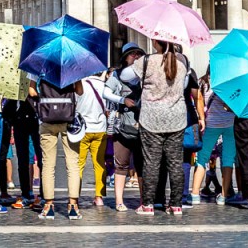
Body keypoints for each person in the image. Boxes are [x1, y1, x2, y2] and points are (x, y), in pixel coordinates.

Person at [122, 40, 202, 216]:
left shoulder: (147, 61)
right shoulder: (182, 61)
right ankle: (176, 205)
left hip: (152, 118)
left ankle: (148, 204)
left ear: (155, 43)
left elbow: (125, 76)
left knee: (151, 163)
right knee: (175, 163)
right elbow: (184, 83)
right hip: (176, 117)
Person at [30, 76, 84, 220]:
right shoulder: (73, 66)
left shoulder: (39, 66)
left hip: (47, 118)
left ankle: (48, 206)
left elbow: (31, 92)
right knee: (73, 164)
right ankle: (73, 206)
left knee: (48, 165)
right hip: (68, 118)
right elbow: (79, 91)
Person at [104, 43, 145, 212]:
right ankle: (119, 201)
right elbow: (105, 92)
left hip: (143, 124)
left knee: (142, 165)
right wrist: (123, 100)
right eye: (132, 54)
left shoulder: (145, 74)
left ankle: (145, 201)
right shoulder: (118, 74)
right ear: (125, 57)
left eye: (138, 54)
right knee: (121, 164)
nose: (135, 57)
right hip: (123, 125)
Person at [190, 65, 236, 205]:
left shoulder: (203, 82)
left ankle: (195, 194)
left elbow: (198, 101)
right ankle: (223, 196)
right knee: (227, 160)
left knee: (202, 158)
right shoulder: (231, 83)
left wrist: (201, 118)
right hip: (229, 124)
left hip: (211, 125)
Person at [77, 72, 109, 207]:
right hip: (100, 129)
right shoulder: (105, 86)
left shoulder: (80, 85)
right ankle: (99, 196)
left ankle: (75, 195)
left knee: (78, 165)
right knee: (99, 164)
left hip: (83, 129)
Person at [4, 98, 42, 209]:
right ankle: (27, 193)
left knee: (40, 159)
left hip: (33, 118)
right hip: (22, 119)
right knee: (24, 159)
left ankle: (41, 195)